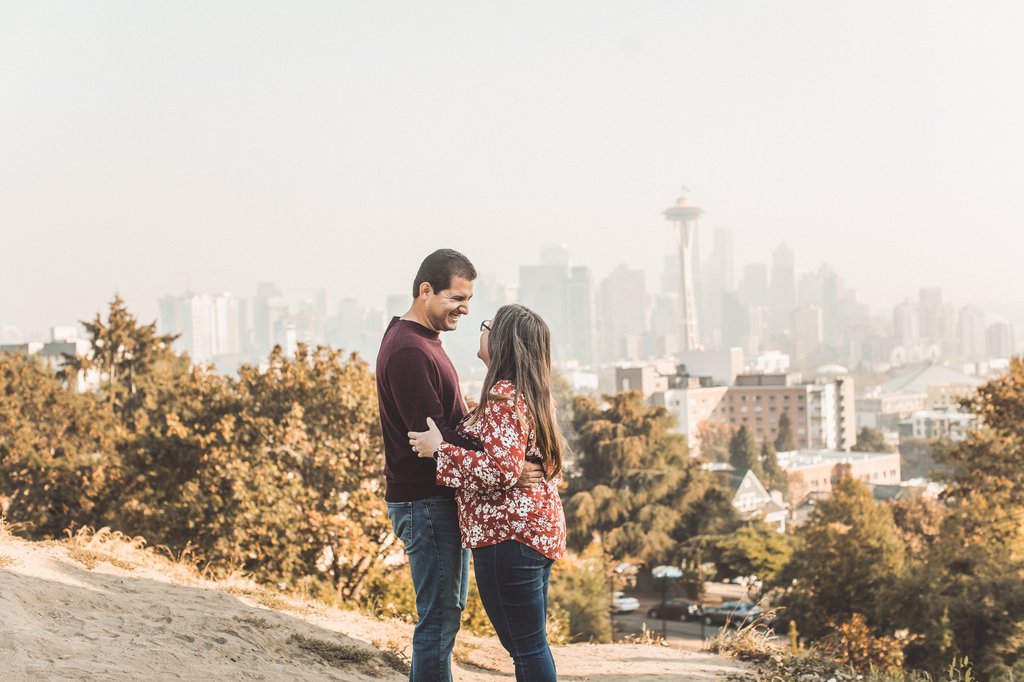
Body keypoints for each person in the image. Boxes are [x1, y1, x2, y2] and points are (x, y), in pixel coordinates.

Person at [376, 250, 544, 682]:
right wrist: (500, 459)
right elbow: (429, 434)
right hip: (425, 500)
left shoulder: (421, 341)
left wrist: (493, 443)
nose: (466, 309)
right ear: (425, 290)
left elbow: (445, 423)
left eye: (469, 299)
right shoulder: (410, 350)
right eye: (457, 297)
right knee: (439, 619)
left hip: (437, 498)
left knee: (445, 614)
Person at [409, 303, 567, 682]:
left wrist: (439, 450)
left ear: (501, 342)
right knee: (532, 644)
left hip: (507, 538)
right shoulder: (534, 395)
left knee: (525, 648)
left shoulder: (503, 399)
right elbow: (532, 461)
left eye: (487, 326)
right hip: (537, 533)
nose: (480, 331)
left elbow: (500, 468)